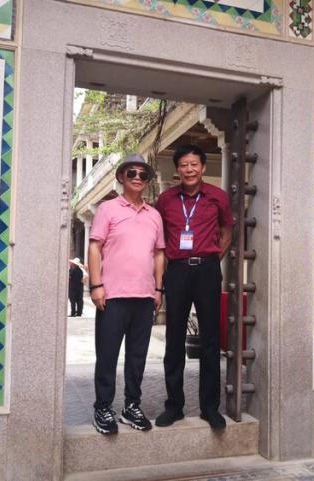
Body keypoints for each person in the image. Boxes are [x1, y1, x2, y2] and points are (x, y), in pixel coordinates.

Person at [155, 144, 233, 430]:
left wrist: (211, 258)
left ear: (202, 167)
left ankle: (210, 408)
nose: (189, 169)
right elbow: (159, 237)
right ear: (178, 169)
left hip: (207, 270)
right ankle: (174, 406)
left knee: (210, 340)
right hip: (176, 271)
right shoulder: (166, 199)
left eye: (194, 164)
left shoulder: (217, 196)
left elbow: (227, 231)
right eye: (184, 165)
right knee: (174, 338)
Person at [88, 154, 165, 435]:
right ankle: (102, 407)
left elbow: (159, 253)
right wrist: (96, 285)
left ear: (147, 180)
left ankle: (131, 405)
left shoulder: (154, 215)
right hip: (113, 296)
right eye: (131, 172)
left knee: (137, 356)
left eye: (143, 174)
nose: (137, 177)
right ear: (121, 177)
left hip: (144, 297)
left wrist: (158, 289)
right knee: (107, 355)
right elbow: (94, 247)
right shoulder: (107, 209)